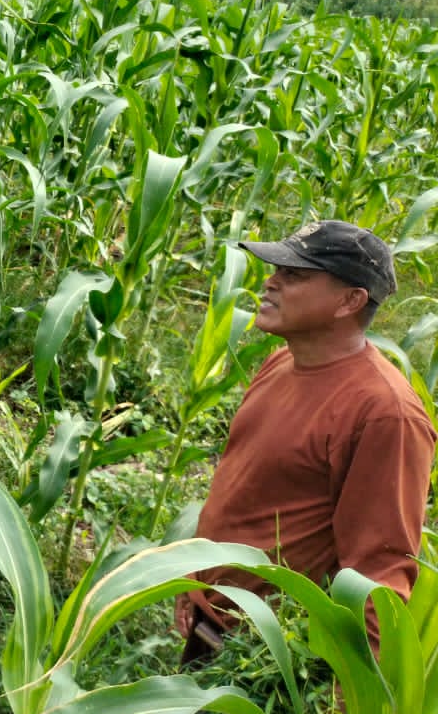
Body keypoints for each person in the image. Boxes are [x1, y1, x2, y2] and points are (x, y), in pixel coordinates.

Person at [176, 219, 435, 661]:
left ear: (350, 301)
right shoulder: (280, 364)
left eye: (294, 275)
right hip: (215, 629)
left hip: (273, 663)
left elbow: (380, 572)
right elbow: (242, 493)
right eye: (277, 269)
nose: (270, 282)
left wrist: (349, 691)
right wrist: (195, 581)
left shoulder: (384, 415)